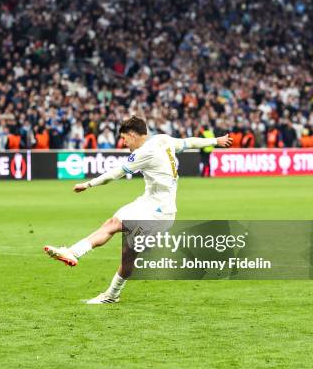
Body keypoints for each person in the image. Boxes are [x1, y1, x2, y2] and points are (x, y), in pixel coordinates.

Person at [43, 117, 232, 304]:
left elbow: (115, 174)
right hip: (147, 203)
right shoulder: (163, 139)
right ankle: (74, 254)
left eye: (124, 138)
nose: (123, 143)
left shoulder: (144, 152)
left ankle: (110, 294)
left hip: (160, 213)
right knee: (113, 226)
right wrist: (216, 141)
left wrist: (88, 184)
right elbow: (189, 142)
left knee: (128, 253)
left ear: (133, 135)